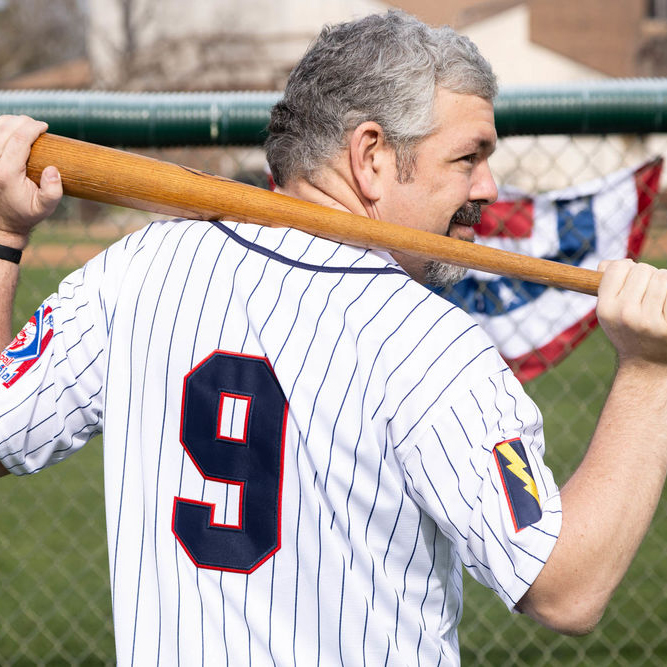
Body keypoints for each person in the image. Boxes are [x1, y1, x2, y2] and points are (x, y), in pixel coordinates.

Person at [1, 9, 667, 666]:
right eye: (469, 157)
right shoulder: (429, 345)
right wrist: (646, 371)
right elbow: (565, 588)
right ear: (371, 155)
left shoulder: (137, 270)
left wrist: (5, 234)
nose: (488, 187)